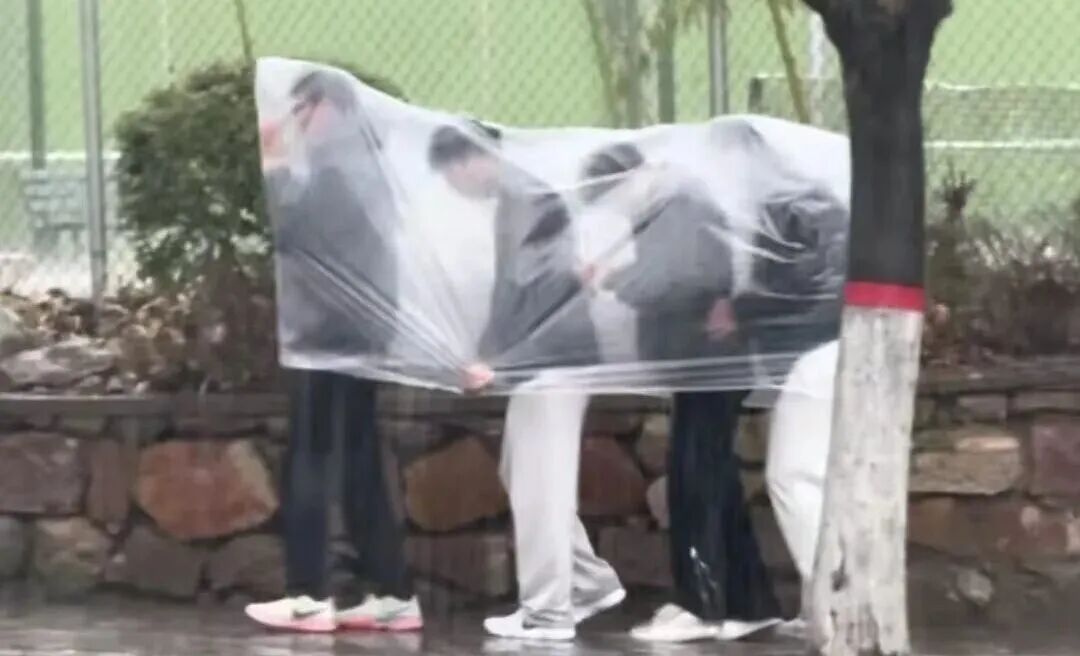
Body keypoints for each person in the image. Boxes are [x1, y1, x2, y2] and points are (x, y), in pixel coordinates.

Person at [427, 122, 625, 641]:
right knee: (525, 473)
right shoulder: (523, 198)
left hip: (554, 360)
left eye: (449, 176)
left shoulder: (526, 201)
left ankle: (548, 611)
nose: (453, 188)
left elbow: (532, 290)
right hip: (550, 359)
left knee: (541, 486)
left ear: (467, 161)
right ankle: (587, 582)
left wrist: (495, 359)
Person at [579, 142, 783, 643]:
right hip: (703, 364)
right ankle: (749, 601)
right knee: (714, 481)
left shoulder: (680, 206)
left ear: (630, 178)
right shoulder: (671, 205)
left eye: (610, 196)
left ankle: (701, 604)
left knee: (695, 484)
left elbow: (683, 277)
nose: (615, 208)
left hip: (709, 364)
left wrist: (616, 278)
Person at [245, 69, 421, 633]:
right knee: (357, 458)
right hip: (356, 335)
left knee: (311, 456)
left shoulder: (335, 169)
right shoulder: (366, 167)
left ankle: (308, 593)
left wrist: (276, 164)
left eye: (305, 108)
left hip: (328, 337)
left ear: (332, 110)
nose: (297, 118)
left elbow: (296, 231)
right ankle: (391, 591)